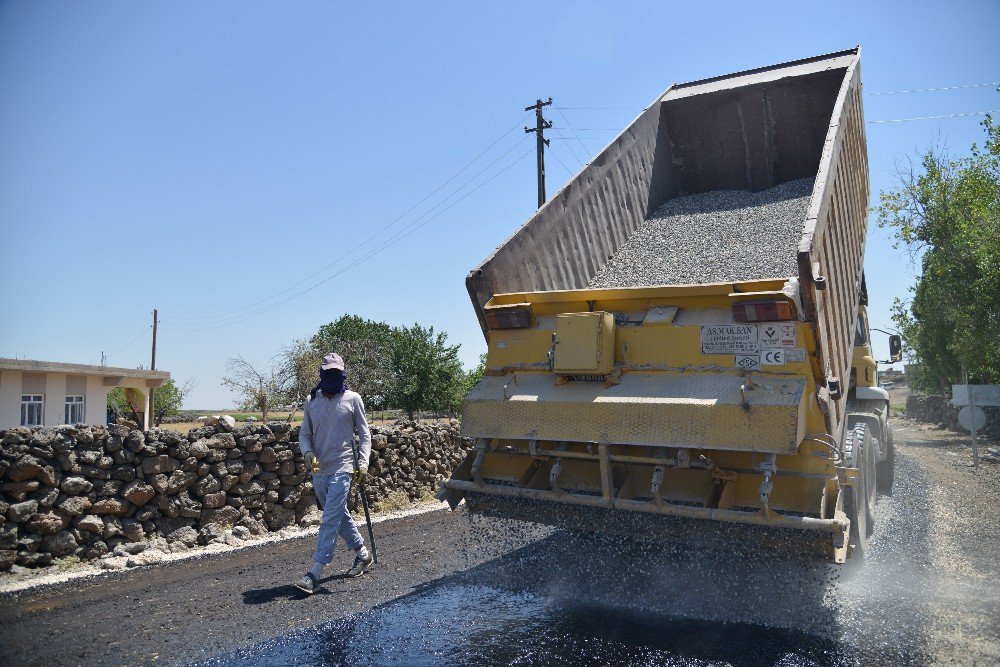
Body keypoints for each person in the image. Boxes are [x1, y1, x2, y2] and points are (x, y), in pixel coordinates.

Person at [294, 352, 373, 594]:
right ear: (321, 374)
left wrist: (363, 463)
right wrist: (307, 453)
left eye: (336, 373)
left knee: (329, 519)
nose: (332, 377)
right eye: (328, 373)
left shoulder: (352, 399)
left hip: (344, 467)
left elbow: (365, 434)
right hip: (319, 470)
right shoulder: (312, 402)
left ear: (342, 375)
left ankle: (314, 573)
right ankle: (362, 553)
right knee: (339, 515)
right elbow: (305, 434)